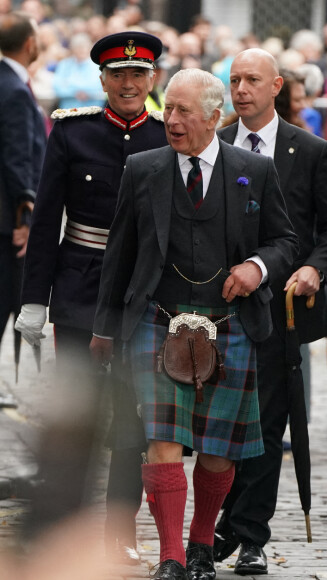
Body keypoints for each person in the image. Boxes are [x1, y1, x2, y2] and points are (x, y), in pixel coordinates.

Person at [90, 67, 297, 580]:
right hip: (155, 320)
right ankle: (171, 556)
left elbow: (285, 241)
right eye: (170, 109)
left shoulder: (254, 169)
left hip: (229, 324)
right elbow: (119, 253)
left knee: (217, 448)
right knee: (161, 438)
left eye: (183, 111)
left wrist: (257, 267)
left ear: (212, 117)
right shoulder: (143, 168)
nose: (171, 120)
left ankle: (202, 545)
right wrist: (104, 327)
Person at [15, 31, 167, 562]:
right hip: (80, 284)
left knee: (132, 414)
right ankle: (64, 526)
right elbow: (46, 220)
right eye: (118, 75)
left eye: (138, 75)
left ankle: (119, 530)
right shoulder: (72, 133)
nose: (128, 84)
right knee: (75, 409)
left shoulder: (169, 135)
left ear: (154, 80)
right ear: (101, 80)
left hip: (140, 294)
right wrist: (34, 298)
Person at [215, 47, 327, 575]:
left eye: (252, 79)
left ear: (277, 86)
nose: (241, 89)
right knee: (221, 423)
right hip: (220, 305)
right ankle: (221, 521)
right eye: (234, 80)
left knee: (268, 421)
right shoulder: (216, 141)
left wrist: (315, 267)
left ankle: (250, 535)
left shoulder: (310, 149)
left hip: (282, 307)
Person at [0, 10, 47, 408]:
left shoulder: (10, 83)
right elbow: (17, 158)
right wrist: (25, 215)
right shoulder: (13, 89)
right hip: (8, 221)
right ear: (29, 43)